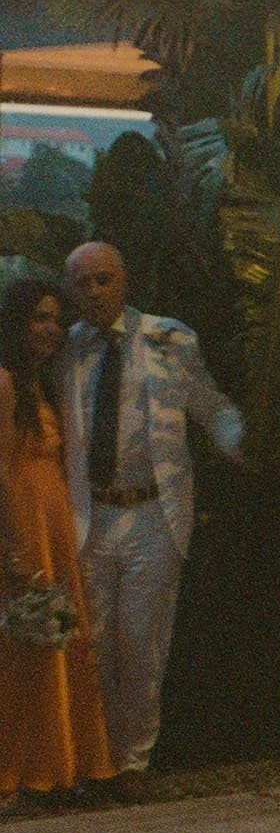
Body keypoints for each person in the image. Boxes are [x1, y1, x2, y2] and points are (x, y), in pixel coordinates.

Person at [60, 242, 243, 777]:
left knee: (143, 642)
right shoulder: (66, 350)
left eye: (103, 279)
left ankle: (133, 760)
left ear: (124, 280)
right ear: (70, 291)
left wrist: (240, 437)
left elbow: (209, 405)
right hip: (89, 512)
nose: (94, 291)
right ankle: (95, 761)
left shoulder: (169, 338)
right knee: (91, 643)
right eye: (82, 283)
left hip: (152, 513)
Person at [0, 277, 114, 799]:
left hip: (55, 527)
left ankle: (59, 764)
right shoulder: (3, 383)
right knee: (24, 654)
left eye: (53, 318)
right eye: (37, 318)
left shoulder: (36, 384)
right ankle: (25, 771)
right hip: (24, 530)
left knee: (55, 644)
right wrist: (17, 548)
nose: (49, 329)